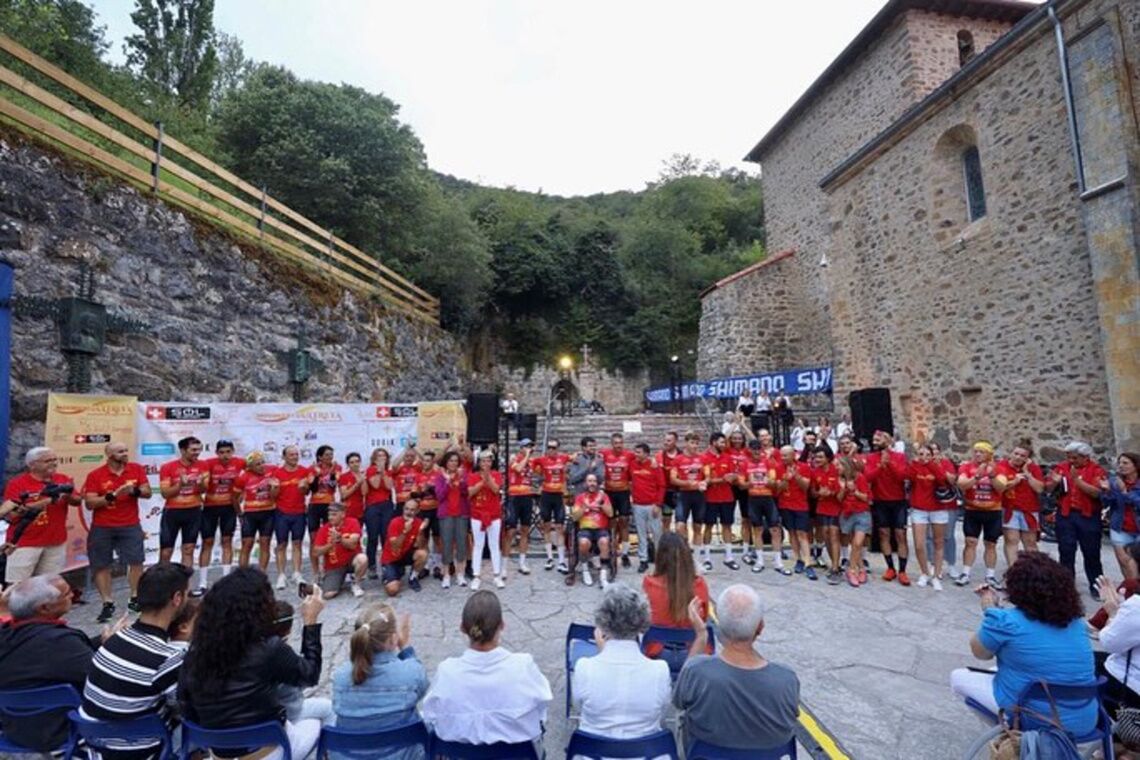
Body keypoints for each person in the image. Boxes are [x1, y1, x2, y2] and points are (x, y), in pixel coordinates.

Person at [179, 568, 325, 760]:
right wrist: (310, 623)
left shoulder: (195, 653)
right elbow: (310, 675)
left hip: (220, 752)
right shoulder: (269, 648)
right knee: (323, 717)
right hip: (267, 751)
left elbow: (186, 706)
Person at [949, 552, 1096, 736]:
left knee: (958, 677)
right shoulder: (1076, 623)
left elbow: (980, 652)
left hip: (1034, 717)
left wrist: (990, 612)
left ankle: (1010, 736)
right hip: (1084, 719)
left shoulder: (1005, 621)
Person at [0, 575, 124, 751]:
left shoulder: (10, 633)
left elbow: (69, 655)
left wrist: (103, 642)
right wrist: (116, 648)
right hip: (63, 729)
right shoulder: (59, 642)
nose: (73, 595)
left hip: (16, 727)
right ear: (44, 608)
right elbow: (102, 676)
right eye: (67, 594)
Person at [82, 562, 192, 759]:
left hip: (96, 745)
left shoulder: (113, 639)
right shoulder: (166, 658)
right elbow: (186, 709)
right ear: (177, 598)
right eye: (187, 594)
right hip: (140, 750)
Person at [674, 584, 800, 752]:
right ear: (760, 627)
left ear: (720, 625)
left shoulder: (696, 670)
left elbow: (679, 701)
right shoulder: (786, 678)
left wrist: (701, 635)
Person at [421, 591, 552, 746]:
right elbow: (542, 707)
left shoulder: (447, 672)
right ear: (502, 625)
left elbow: (430, 715)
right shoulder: (523, 666)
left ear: (462, 627)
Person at [572, 584, 671, 744]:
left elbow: (579, 709)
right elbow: (662, 713)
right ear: (642, 624)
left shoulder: (584, 667)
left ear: (602, 625)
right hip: (645, 753)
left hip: (594, 753)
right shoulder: (660, 670)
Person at [333, 603, 428, 739]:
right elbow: (422, 688)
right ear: (393, 639)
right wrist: (405, 648)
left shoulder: (341, 676)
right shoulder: (411, 673)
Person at [82, 441, 151, 621]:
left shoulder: (135, 469)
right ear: (109, 454)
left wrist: (134, 491)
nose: (125, 453)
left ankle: (135, 598)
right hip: (102, 526)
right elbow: (90, 503)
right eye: (120, 451)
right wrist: (113, 495)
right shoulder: (96, 475)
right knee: (101, 564)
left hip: (130, 524)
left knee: (136, 561)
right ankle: (107, 602)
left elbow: (147, 491)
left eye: (126, 450)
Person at [1, 447, 81, 583]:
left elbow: (77, 501)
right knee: (17, 587)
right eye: (47, 460)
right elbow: (12, 513)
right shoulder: (18, 484)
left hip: (55, 541)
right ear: (32, 465)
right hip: (24, 543)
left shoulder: (62, 479)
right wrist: (49, 500)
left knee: (48, 586)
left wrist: (67, 496)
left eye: (55, 459)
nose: (54, 463)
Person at [1048, 441, 1107, 600]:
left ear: (1085, 457)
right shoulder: (1062, 467)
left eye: (1074, 458)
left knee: (1091, 553)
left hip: (1088, 516)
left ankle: (1096, 587)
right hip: (1066, 514)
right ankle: (1066, 587)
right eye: (1068, 457)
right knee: (1066, 551)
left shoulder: (1096, 470)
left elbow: (1096, 493)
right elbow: (1048, 489)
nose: (1070, 461)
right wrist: (1054, 482)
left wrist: (1078, 481)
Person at [642, 532, 710, 664]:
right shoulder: (700, 584)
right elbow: (704, 617)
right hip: (693, 650)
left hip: (657, 652)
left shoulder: (649, 583)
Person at [272, 601, 333, 726]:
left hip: (253, 721)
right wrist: (310, 621)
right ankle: (331, 745)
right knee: (329, 708)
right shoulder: (277, 654)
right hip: (284, 715)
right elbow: (308, 678)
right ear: (288, 630)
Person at [1094, 555, 1140, 716]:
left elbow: (1109, 642)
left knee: (1080, 663)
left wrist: (1113, 613)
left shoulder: (1136, 605)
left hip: (1130, 689)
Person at [198, 439, 244, 595]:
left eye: (228, 452)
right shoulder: (208, 463)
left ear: (233, 451)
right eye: (222, 452)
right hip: (210, 507)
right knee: (207, 542)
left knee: (227, 541)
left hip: (229, 508)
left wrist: (241, 496)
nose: (225, 455)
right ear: (216, 453)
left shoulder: (240, 463)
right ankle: (203, 582)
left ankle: (226, 580)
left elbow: (254, 473)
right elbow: (201, 483)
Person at [865, 430, 911, 585]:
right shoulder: (871, 458)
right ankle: (890, 567)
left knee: (900, 534)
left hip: (898, 501)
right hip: (880, 501)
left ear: (888, 440)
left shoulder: (900, 457)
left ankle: (903, 570)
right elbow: (868, 477)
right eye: (874, 439)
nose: (875, 441)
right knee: (884, 534)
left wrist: (889, 463)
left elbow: (902, 476)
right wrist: (880, 466)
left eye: (879, 438)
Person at [157, 437, 209, 570]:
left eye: (199, 449)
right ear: (183, 450)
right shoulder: (168, 467)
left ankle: (185, 587)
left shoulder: (203, 465)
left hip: (194, 511)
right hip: (173, 512)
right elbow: (165, 494)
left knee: (188, 549)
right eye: (193, 450)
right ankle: (163, 584)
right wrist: (180, 485)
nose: (197, 453)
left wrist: (201, 484)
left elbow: (203, 490)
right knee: (166, 551)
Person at [957, 441, 1003, 589]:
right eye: (975, 451)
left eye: (981, 452)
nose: (977, 454)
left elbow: (1001, 488)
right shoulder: (966, 466)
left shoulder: (998, 467)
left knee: (991, 544)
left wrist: (992, 476)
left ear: (989, 454)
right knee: (970, 542)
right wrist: (976, 477)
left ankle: (990, 575)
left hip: (993, 511)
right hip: (972, 510)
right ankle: (965, 573)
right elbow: (962, 484)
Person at [995, 441, 1045, 572]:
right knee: (1011, 541)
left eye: (1022, 456)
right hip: (1009, 508)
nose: (1018, 457)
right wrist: (1015, 481)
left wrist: (1027, 474)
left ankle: (1035, 572)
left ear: (1027, 458)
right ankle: (1014, 572)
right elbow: (999, 488)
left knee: (1030, 543)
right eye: (1016, 453)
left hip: (1029, 509)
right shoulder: (1001, 466)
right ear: (1011, 453)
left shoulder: (1034, 468)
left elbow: (1039, 489)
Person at [742, 439, 787, 574]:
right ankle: (760, 560)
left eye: (758, 449)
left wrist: (769, 482)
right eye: (753, 449)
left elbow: (774, 482)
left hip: (767, 498)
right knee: (757, 530)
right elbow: (741, 484)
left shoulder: (768, 463)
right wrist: (749, 483)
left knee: (775, 529)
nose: (756, 452)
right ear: (749, 450)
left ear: (761, 450)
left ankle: (778, 561)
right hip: (753, 498)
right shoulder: (745, 464)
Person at [273, 445, 313, 590]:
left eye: (296, 454)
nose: (295, 457)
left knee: (297, 543)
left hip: (299, 512)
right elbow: (273, 496)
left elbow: (307, 492)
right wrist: (275, 488)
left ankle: (296, 572)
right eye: (291, 455)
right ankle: (281, 575)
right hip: (282, 513)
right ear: (284, 457)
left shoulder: (304, 471)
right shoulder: (277, 472)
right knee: (281, 545)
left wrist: (304, 487)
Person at [908, 445, 947, 590]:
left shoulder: (937, 465)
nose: (923, 456)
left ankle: (936, 575)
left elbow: (942, 479)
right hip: (919, 509)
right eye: (920, 454)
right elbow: (909, 477)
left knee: (938, 542)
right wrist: (915, 463)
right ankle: (924, 572)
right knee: (919, 544)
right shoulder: (915, 466)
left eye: (926, 454)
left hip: (938, 509)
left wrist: (931, 464)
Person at [776, 445, 816, 580]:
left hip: (800, 505)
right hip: (785, 504)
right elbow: (777, 490)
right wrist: (785, 480)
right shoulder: (778, 467)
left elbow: (806, 487)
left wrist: (796, 476)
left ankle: (808, 563)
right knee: (792, 532)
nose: (783, 458)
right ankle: (798, 559)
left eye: (785, 455)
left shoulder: (804, 467)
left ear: (793, 455)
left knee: (802, 533)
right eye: (781, 455)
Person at [700, 433, 739, 572]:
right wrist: (723, 479)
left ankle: (729, 557)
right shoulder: (704, 458)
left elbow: (734, 476)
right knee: (709, 526)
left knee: (727, 526)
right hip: (710, 498)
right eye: (721, 442)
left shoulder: (727, 457)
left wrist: (733, 477)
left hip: (727, 497)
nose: (724, 445)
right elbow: (706, 479)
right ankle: (707, 558)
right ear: (713, 442)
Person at [313, 503, 367, 598]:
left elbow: (353, 544)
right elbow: (315, 552)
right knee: (328, 595)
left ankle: (356, 583)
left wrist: (340, 539)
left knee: (362, 559)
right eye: (329, 515)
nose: (330, 517)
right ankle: (338, 580)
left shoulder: (352, 522)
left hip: (351, 561)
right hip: (334, 566)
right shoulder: (324, 529)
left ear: (343, 514)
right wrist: (330, 545)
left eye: (334, 514)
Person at [468, 450, 505, 590]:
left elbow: (496, 490)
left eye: (488, 461)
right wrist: (481, 481)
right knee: (478, 545)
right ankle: (476, 576)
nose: (486, 463)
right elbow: (470, 492)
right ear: (479, 462)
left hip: (494, 515)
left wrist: (488, 478)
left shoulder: (496, 475)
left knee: (494, 545)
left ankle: (497, 575)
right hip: (477, 515)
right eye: (483, 461)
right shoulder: (472, 476)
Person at [235, 451, 278, 572]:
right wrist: (239, 513)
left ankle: (262, 573)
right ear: (250, 467)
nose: (261, 466)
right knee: (247, 544)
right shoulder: (243, 476)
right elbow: (234, 497)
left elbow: (277, 494)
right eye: (257, 464)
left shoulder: (272, 471)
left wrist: (274, 488)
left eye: (262, 462)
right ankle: (242, 574)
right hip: (250, 514)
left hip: (268, 512)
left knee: (265, 543)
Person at [535, 438, 573, 573]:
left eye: (553, 447)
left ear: (557, 449)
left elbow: (575, 459)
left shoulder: (563, 458)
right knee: (546, 526)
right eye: (549, 447)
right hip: (546, 495)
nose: (551, 450)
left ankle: (561, 560)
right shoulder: (541, 460)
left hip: (558, 496)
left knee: (559, 527)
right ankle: (549, 558)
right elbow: (531, 465)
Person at [572, 474, 615, 588]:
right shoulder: (580, 497)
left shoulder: (603, 496)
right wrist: (583, 508)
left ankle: (603, 575)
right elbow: (575, 517)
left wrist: (601, 505)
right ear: (585, 483)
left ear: (597, 483)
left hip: (601, 528)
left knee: (604, 542)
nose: (592, 483)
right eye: (589, 481)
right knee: (583, 543)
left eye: (594, 481)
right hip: (585, 528)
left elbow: (611, 513)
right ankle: (585, 569)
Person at [434, 451, 470, 588]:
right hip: (446, 513)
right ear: (446, 463)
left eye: (455, 461)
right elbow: (440, 496)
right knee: (446, 544)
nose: (453, 463)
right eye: (451, 461)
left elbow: (467, 492)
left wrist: (460, 481)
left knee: (461, 544)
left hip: (461, 513)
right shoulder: (440, 477)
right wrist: (448, 481)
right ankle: (446, 574)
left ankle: (460, 574)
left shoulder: (463, 475)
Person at [1103, 453, 1140, 581]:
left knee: (1137, 562)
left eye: (1125, 463)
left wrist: (1125, 492)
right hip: (1120, 527)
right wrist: (1107, 491)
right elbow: (1107, 503)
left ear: (1135, 465)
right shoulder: (1114, 482)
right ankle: (1131, 591)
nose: (1121, 466)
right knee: (1124, 562)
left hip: (1137, 527)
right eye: (1120, 463)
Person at [602, 433, 637, 569]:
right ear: (612, 444)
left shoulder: (629, 455)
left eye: (620, 443)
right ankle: (611, 549)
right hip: (609, 492)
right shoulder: (604, 454)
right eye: (616, 443)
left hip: (623, 492)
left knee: (624, 522)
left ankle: (625, 554)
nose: (618, 445)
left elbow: (642, 458)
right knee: (611, 522)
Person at [630, 443, 665, 573]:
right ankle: (643, 560)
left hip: (653, 505)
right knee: (641, 534)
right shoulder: (632, 464)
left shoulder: (654, 466)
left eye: (638, 452)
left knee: (657, 534)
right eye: (635, 451)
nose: (636, 454)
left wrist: (658, 504)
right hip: (638, 505)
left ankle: (659, 560)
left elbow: (661, 486)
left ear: (646, 453)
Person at [811, 445, 844, 584]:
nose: (817, 459)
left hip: (836, 507)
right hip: (822, 507)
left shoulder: (836, 471)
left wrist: (831, 493)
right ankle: (834, 563)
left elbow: (842, 492)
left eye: (820, 457)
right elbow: (813, 492)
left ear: (828, 458)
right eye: (816, 457)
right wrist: (819, 493)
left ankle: (836, 568)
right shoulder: (815, 472)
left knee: (834, 534)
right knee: (825, 535)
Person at [382, 499, 428, 596]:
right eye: (406, 509)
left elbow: (421, 546)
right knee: (392, 590)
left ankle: (413, 577)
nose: (408, 512)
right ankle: (391, 575)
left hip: (405, 554)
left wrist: (421, 531)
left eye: (412, 510)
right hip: (391, 558)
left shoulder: (418, 522)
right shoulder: (395, 522)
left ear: (417, 511)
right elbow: (395, 546)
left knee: (423, 554)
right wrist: (405, 532)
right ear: (403, 509)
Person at [308, 445, 341, 578]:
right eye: (327, 455)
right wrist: (317, 474)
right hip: (314, 506)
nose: (330, 457)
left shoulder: (337, 468)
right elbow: (314, 488)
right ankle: (316, 571)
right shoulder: (312, 468)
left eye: (331, 454)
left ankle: (329, 568)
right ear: (320, 457)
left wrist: (332, 473)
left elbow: (333, 487)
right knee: (313, 539)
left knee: (330, 537)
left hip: (329, 505)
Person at [670, 432, 706, 549]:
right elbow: (673, 479)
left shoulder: (702, 458)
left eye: (696, 443)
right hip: (683, 494)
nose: (694, 446)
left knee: (698, 526)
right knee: (680, 525)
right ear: (686, 443)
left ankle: (696, 557)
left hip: (698, 495)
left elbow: (708, 476)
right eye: (692, 443)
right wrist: (687, 483)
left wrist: (705, 482)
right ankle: (685, 549)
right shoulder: (678, 459)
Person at [838, 456, 871, 586]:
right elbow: (839, 498)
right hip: (847, 512)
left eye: (839, 466)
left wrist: (854, 491)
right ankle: (861, 568)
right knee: (853, 543)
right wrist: (843, 489)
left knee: (857, 543)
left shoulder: (859, 477)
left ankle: (851, 570)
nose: (837, 468)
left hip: (861, 513)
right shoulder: (840, 479)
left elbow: (866, 497)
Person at [505, 439, 536, 576]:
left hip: (527, 496)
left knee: (525, 529)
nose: (529, 448)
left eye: (531, 446)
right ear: (521, 448)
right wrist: (527, 456)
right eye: (527, 446)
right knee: (511, 530)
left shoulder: (531, 461)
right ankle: (504, 564)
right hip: (514, 497)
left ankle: (522, 562)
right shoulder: (514, 458)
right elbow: (518, 469)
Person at [364, 448, 397, 579]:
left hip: (387, 505)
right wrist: (379, 470)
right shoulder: (370, 470)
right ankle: (371, 565)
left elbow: (389, 487)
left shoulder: (389, 471)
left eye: (384, 456)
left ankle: (386, 563)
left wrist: (384, 472)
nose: (381, 458)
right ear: (374, 458)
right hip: (372, 506)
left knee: (385, 536)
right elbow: (376, 485)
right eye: (379, 456)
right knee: (372, 537)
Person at [929, 442, 960, 579]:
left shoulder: (946, 463)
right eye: (931, 451)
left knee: (948, 536)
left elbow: (953, 480)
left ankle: (951, 564)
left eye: (936, 450)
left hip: (948, 504)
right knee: (930, 537)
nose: (934, 454)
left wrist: (939, 467)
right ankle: (933, 564)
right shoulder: (923, 465)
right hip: (930, 504)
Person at [657, 432, 681, 535]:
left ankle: (682, 545)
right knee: (666, 519)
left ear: (675, 441)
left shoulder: (682, 455)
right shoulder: (660, 455)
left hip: (680, 492)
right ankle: (666, 544)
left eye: (669, 441)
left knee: (681, 521)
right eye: (665, 440)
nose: (666, 443)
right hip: (666, 492)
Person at [339, 452, 367, 524]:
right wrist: (357, 484)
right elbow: (344, 495)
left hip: (361, 510)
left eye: (357, 461)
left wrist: (362, 480)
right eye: (352, 462)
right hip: (348, 511)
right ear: (348, 464)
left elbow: (365, 492)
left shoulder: (363, 475)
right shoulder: (344, 476)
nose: (355, 464)